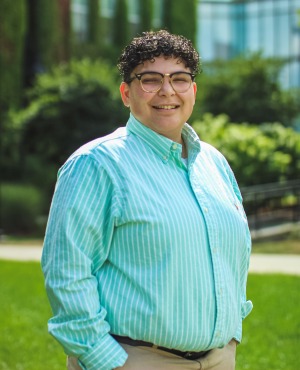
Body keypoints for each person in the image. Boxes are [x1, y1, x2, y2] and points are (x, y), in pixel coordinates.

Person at [41, 30, 253, 370]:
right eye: (150, 79)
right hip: (135, 360)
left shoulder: (214, 163)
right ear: (126, 93)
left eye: (180, 79)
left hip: (219, 360)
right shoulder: (98, 164)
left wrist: (231, 333)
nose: (167, 91)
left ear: (193, 91)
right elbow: (67, 272)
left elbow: (233, 255)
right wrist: (104, 360)